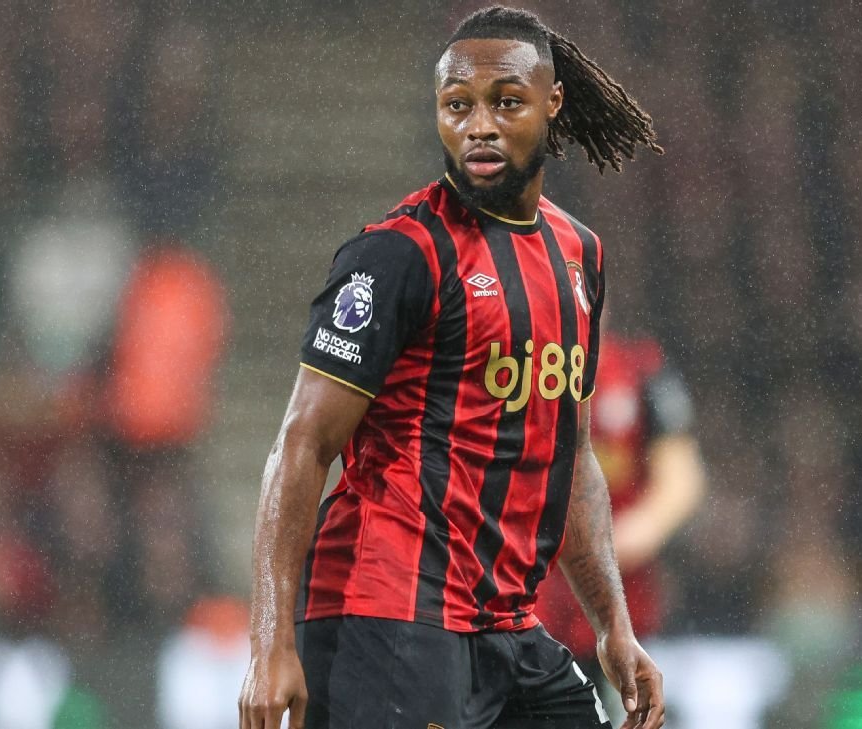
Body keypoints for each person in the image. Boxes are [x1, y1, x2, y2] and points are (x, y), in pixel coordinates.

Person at [238, 7, 664, 729]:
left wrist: (612, 626)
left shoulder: (579, 255)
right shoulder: (397, 255)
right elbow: (302, 445)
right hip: (387, 616)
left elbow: (572, 455)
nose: (480, 126)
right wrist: (269, 642)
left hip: (508, 621)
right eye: (458, 105)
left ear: (552, 103)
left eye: (507, 102)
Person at [534, 326, 705, 720]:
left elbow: (682, 477)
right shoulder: (518, 366)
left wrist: (621, 538)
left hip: (625, 607)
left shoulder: (641, 369)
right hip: (532, 603)